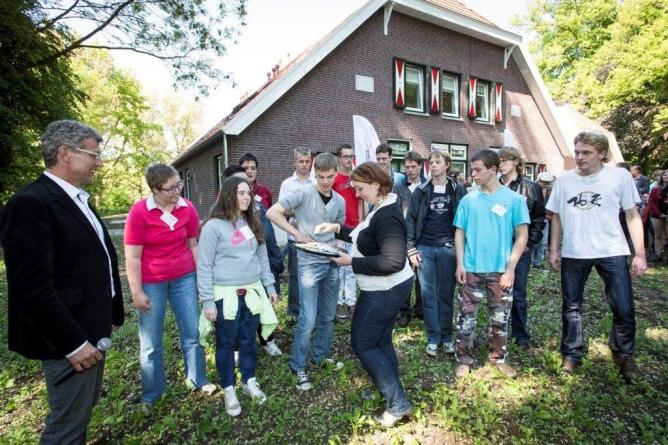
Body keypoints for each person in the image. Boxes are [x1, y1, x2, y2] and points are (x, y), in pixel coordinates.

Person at [0, 120, 125, 443]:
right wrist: (73, 344)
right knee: (66, 427)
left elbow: (96, 262)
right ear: (65, 153)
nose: (98, 162)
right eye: (93, 154)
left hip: (89, 330)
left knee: (80, 413)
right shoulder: (31, 203)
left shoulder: (77, 199)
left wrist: (108, 314)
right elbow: (31, 288)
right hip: (69, 342)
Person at [314, 162, 415, 427]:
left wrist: (352, 263)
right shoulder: (380, 207)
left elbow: (392, 261)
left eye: (360, 189)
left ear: (376, 185)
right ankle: (391, 391)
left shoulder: (388, 215)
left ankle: (398, 403)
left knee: (362, 344)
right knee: (380, 342)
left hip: (385, 289)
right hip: (385, 287)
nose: (357, 194)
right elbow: (365, 237)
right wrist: (337, 229)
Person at [547, 131, 647, 382]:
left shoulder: (620, 177)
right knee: (571, 307)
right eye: (577, 151)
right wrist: (554, 248)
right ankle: (571, 354)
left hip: (612, 250)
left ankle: (623, 354)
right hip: (574, 252)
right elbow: (556, 215)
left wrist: (640, 254)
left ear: (602, 154)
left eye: (586, 153)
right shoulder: (564, 181)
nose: (579, 157)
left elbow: (632, 215)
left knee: (623, 306)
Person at [124, 164, 216, 414]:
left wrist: (201, 279)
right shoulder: (139, 212)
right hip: (151, 283)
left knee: (192, 332)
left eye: (179, 184)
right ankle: (153, 393)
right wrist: (136, 291)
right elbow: (132, 257)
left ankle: (198, 380)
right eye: (171, 188)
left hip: (184, 278)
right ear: (155, 189)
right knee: (151, 342)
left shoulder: (187, 207)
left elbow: (194, 245)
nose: (177, 191)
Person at [198, 176, 279, 416]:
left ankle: (250, 381)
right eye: (241, 193)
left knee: (247, 340)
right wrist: (208, 301)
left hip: (252, 292)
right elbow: (204, 266)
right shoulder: (212, 226)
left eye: (248, 193)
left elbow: (262, 257)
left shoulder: (252, 222)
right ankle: (229, 388)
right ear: (228, 195)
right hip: (225, 296)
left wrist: (270, 286)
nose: (246, 197)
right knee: (225, 343)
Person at [267, 153, 346, 391]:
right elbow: (273, 212)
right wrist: (295, 233)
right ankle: (297, 365)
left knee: (327, 315)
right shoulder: (302, 193)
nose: (325, 181)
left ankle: (320, 356)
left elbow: (340, 231)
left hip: (332, 262)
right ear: (314, 173)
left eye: (330, 176)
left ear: (336, 172)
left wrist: (340, 252)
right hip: (309, 262)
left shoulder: (340, 200)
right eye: (320, 176)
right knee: (308, 317)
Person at [453, 149, 530, 379]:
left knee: (500, 318)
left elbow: (522, 235)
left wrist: (510, 268)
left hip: (500, 272)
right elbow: (460, 232)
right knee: (466, 317)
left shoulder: (514, 200)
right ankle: (464, 359)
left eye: (477, 169)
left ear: (493, 170)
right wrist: (460, 263)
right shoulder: (468, 199)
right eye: (472, 169)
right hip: (472, 269)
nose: (472, 174)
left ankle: (499, 358)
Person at [406, 149, 467, 356]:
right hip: (425, 248)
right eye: (431, 162)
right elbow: (411, 221)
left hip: (449, 248)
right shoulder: (421, 190)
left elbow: (464, 221)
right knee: (428, 294)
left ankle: (447, 336)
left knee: (446, 295)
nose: (433, 165)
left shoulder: (457, 189)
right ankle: (433, 337)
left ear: (447, 165)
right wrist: (411, 248)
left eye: (437, 161)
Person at [222, 165, 284, 356]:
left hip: (261, 268)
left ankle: (267, 339)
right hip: (235, 278)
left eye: (247, 182)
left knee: (262, 307)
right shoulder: (219, 216)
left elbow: (268, 236)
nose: (245, 183)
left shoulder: (256, 206)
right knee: (239, 313)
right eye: (239, 182)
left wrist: (276, 260)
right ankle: (237, 348)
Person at [498, 148, 546, 350]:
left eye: (505, 160)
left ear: (516, 162)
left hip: (520, 247)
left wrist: (529, 244)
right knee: (498, 291)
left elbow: (538, 219)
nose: (501, 164)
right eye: (499, 160)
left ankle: (520, 334)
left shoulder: (531, 188)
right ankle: (500, 331)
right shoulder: (494, 185)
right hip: (497, 246)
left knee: (518, 292)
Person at [278, 147, 315, 322]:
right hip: (294, 237)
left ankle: (313, 309)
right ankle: (293, 311)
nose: (304, 165)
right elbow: (283, 209)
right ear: (294, 162)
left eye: (307, 161)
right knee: (294, 276)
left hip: (315, 237)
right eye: (301, 161)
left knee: (315, 274)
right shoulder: (287, 184)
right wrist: (301, 210)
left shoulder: (316, 181)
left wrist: (296, 209)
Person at [393, 150, 427, 327]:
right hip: (405, 238)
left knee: (422, 277)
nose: (410, 170)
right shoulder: (399, 187)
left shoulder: (427, 186)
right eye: (407, 167)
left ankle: (420, 309)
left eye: (414, 166)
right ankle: (404, 311)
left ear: (420, 166)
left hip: (425, 238)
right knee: (405, 276)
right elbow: (396, 212)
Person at [333, 143, 364, 319]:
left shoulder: (356, 177)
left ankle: (351, 300)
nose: (348, 159)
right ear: (339, 157)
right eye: (345, 156)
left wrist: (361, 223)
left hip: (354, 226)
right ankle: (338, 302)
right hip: (339, 229)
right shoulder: (335, 178)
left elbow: (360, 201)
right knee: (339, 267)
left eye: (351, 156)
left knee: (352, 266)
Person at [531, 172, 556, 269]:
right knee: (533, 240)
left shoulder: (551, 191)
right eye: (543, 182)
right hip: (534, 220)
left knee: (543, 241)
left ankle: (537, 262)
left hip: (546, 219)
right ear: (539, 180)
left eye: (548, 182)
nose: (545, 184)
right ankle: (529, 260)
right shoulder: (532, 189)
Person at [647, 169, 668, 263]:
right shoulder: (655, 188)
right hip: (657, 216)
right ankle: (658, 254)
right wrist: (660, 214)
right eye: (665, 174)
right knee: (658, 235)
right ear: (662, 177)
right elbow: (651, 203)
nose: (667, 176)